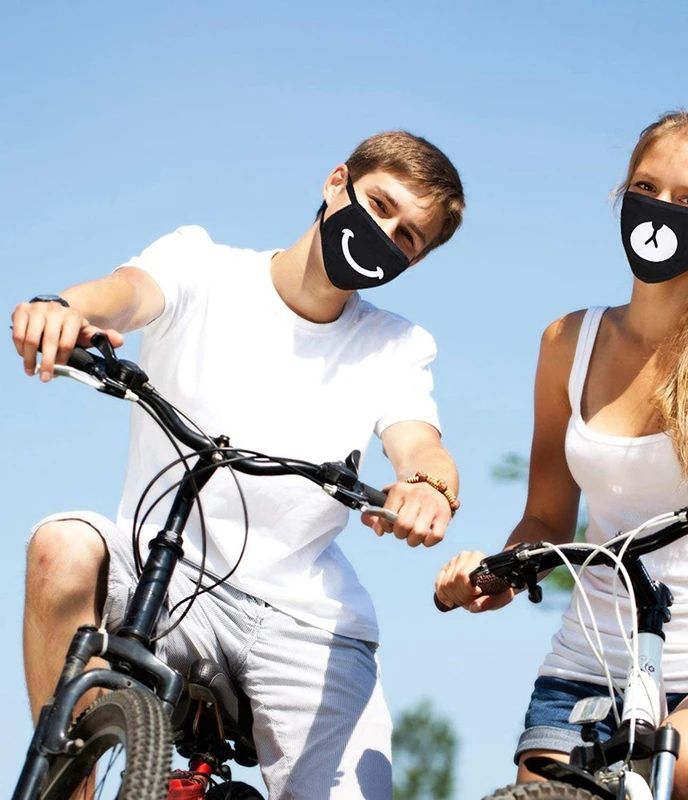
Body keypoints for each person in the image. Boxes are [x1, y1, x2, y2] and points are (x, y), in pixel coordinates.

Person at [13, 130, 464, 799]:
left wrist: (426, 488)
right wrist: (66, 309)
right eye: (378, 205)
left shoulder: (393, 345)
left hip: (304, 622)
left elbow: (420, 444)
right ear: (336, 182)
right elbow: (125, 293)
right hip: (160, 572)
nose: (384, 234)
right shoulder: (201, 266)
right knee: (60, 548)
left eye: (407, 238)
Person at [435, 111, 688, 799]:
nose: (662, 210)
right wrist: (497, 574)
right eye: (647, 188)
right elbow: (546, 519)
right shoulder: (565, 343)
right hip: (588, 663)